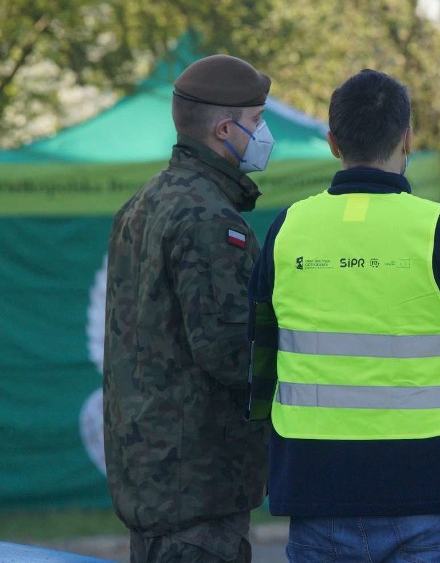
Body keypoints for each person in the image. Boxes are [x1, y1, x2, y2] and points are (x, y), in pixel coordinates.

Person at [246, 69, 440, 562]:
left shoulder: (287, 230)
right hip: (433, 488)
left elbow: (260, 357)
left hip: (318, 489)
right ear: (407, 138)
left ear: (333, 143)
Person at [103, 54, 274, 563]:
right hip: (197, 489)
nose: (264, 135)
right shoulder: (207, 218)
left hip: (156, 477)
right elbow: (230, 352)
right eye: (258, 122)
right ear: (225, 129)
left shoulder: (143, 203)